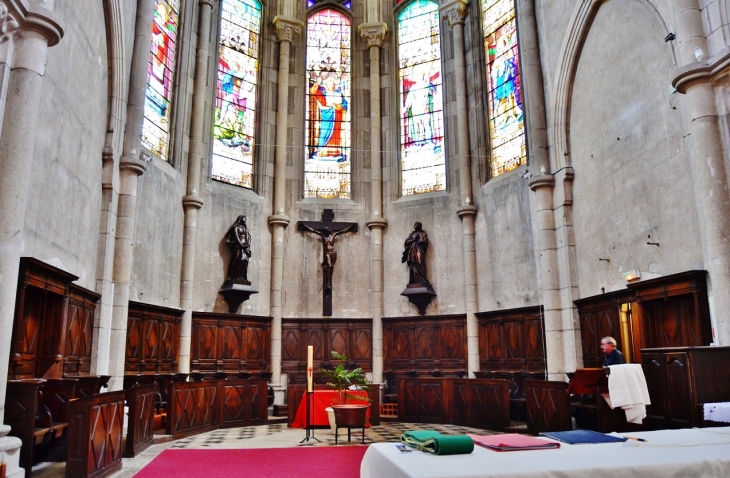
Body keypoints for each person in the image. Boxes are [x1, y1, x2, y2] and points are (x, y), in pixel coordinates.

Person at [300, 223, 355, 291]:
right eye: (324, 231)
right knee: (329, 265)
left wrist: (350, 227)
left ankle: (329, 279)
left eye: (326, 231)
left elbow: (342, 231)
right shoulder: (323, 236)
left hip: (333, 252)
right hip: (327, 253)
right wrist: (305, 226)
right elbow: (314, 231)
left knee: (332, 266)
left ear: (328, 231)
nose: (325, 232)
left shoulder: (333, 236)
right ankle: (328, 283)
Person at [225, 215, 251, 283]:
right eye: (243, 218)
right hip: (238, 246)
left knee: (245, 261)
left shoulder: (245, 228)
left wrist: (247, 244)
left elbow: (248, 236)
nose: (245, 219)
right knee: (237, 258)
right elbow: (236, 236)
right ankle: (233, 276)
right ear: (240, 219)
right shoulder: (236, 227)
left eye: (245, 218)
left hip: (245, 246)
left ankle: (242, 277)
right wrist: (241, 245)